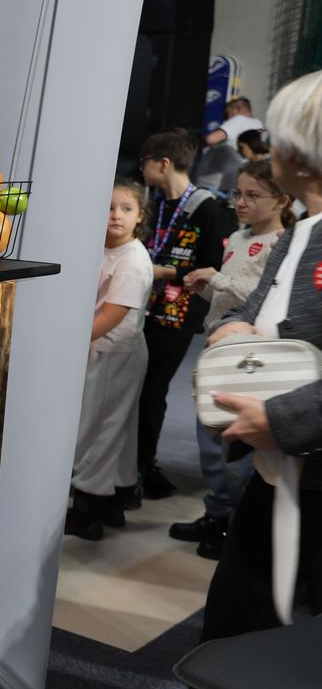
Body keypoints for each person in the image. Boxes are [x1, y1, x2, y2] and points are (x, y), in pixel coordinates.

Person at [107, 69, 322, 689]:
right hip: (279, 474)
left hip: (303, 463)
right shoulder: (302, 233)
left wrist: (285, 419)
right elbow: (256, 305)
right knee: (232, 622)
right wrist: (233, 330)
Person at [174, 160, 295, 557]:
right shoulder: (239, 237)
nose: (241, 202)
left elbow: (262, 298)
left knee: (236, 448)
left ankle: (239, 526)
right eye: (237, 194)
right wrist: (207, 287)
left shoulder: (283, 243)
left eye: (252, 195)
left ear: (282, 200)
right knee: (209, 438)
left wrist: (217, 278)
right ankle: (219, 511)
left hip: (247, 359)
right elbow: (229, 294)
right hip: (216, 348)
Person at [135, 130, 236, 501]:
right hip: (142, 307)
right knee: (133, 388)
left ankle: (144, 467)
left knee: (153, 390)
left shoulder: (209, 209)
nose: (141, 170)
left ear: (163, 163)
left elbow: (213, 265)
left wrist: (165, 272)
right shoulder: (154, 204)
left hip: (177, 315)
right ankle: (129, 463)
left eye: (145, 163)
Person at [65, 179, 154, 540]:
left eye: (126, 208)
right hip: (104, 347)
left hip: (113, 350)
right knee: (115, 425)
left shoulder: (133, 260)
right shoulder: (103, 249)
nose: (116, 215)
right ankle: (115, 498)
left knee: (98, 428)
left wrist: (68, 344)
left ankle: (89, 510)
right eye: (109, 207)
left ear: (140, 216)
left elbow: (114, 314)